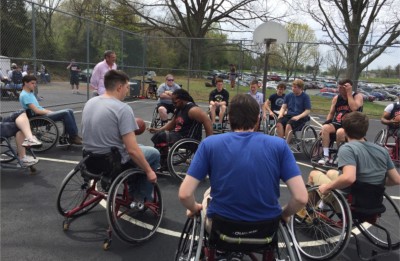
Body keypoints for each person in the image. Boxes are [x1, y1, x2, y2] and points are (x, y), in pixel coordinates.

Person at [179, 94, 308, 259]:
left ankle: (214, 251)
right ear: (258, 119)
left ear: (229, 118)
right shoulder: (279, 146)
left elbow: (184, 194)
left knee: (207, 194)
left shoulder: (210, 144)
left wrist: (194, 208)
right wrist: (284, 213)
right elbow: (301, 198)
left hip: (222, 227)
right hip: (266, 228)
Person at [82, 69, 159, 199]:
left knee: (139, 148)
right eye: (127, 87)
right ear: (119, 87)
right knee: (153, 154)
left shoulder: (91, 102)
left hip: (89, 158)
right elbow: (132, 150)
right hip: (111, 163)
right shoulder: (123, 109)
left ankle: (132, 182)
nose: (128, 90)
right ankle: (141, 197)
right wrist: (149, 171)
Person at [307, 111, 400, 198]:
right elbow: (396, 179)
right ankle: (321, 209)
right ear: (365, 130)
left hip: (352, 198)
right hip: (374, 199)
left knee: (313, 174)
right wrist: (377, 182)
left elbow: (349, 178)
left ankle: (306, 213)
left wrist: (327, 187)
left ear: (345, 131)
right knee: (330, 173)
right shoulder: (382, 151)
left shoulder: (347, 148)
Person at [19, 75, 82, 145]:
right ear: (25, 83)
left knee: (69, 110)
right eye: (32, 83)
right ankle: (73, 137)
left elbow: (39, 108)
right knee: (66, 113)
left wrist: (49, 112)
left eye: (35, 83)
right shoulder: (25, 95)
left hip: (41, 115)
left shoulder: (29, 93)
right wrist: (50, 112)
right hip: (38, 117)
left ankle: (74, 135)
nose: (34, 85)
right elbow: (36, 110)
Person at [317, 79, 363, 165]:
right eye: (339, 87)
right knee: (325, 128)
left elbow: (354, 108)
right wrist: (325, 124)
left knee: (340, 132)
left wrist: (349, 94)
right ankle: (326, 155)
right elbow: (331, 113)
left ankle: (340, 155)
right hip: (338, 122)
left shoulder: (357, 96)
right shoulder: (336, 98)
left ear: (349, 88)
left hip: (352, 125)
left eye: (343, 87)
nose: (340, 89)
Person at [276, 79, 311, 144]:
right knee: (279, 123)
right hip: (289, 115)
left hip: (301, 117)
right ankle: (280, 144)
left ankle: (286, 145)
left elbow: (307, 111)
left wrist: (299, 116)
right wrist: (280, 114)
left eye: (295, 87)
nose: (293, 88)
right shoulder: (288, 96)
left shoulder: (305, 97)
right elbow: (283, 107)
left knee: (289, 124)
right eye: (292, 87)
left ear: (300, 88)